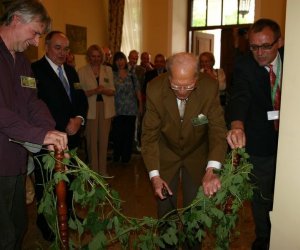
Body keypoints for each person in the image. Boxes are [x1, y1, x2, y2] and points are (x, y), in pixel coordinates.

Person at [141, 52, 227, 249]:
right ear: (168, 77)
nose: (181, 91)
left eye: (188, 86)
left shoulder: (209, 87)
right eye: (176, 85)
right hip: (165, 153)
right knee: (165, 211)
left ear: (197, 78)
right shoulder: (155, 89)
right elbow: (149, 136)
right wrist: (154, 176)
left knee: (195, 209)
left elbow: (217, 130)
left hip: (197, 153)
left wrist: (212, 169)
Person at [0, 1, 68, 249]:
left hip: (16, 161)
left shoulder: (22, 61)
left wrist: (51, 131)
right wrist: (41, 135)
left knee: (19, 226)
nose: (37, 42)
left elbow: (32, 102)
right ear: (16, 20)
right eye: (35, 33)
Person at [226, 18, 284, 250]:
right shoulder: (244, 66)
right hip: (260, 142)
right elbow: (239, 97)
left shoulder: (295, 59)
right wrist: (237, 126)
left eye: (266, 46)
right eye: (253, 47)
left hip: (291, 142)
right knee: (261, 195)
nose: (259, 53)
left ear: (279, 42)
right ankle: (264, 238)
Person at [31, 30, 88, 240]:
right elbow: (34, 105)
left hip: (71, 139)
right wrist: (56, 127)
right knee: (46, 183)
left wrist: (79, 119)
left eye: (66, 49)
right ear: (46, 47)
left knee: (70, 179)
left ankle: (69, 213)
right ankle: (44, 220)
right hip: (47, 140)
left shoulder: (72, 72)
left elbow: (81, 98)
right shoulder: (34, 70)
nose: (62, 53)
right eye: (57, 47)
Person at [78, 45, 115, 176]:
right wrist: (94, 91)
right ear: (89, 57)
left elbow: (112, 91)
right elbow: (80, 94)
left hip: (106, 109)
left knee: (104, 141)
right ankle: (93, 172)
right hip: (90, 109)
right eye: (93, 56)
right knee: (91, 141)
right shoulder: (82, 71)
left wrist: (103, 90)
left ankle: (103, 171)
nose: (96, 59)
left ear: (102, 57)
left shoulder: (108, 70)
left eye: (98, 56)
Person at [112, 51, 143, 163]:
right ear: (115, 62)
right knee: (117, 134)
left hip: (131, 109)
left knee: (128, 135)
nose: (120, 62)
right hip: (117, 109)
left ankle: (126, 158)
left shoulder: (131, 74)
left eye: (122, 59)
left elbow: (138, 90)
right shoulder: (112, 74)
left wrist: (140, 105)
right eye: (117, 60)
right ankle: (116, 156)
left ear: (125, 60)